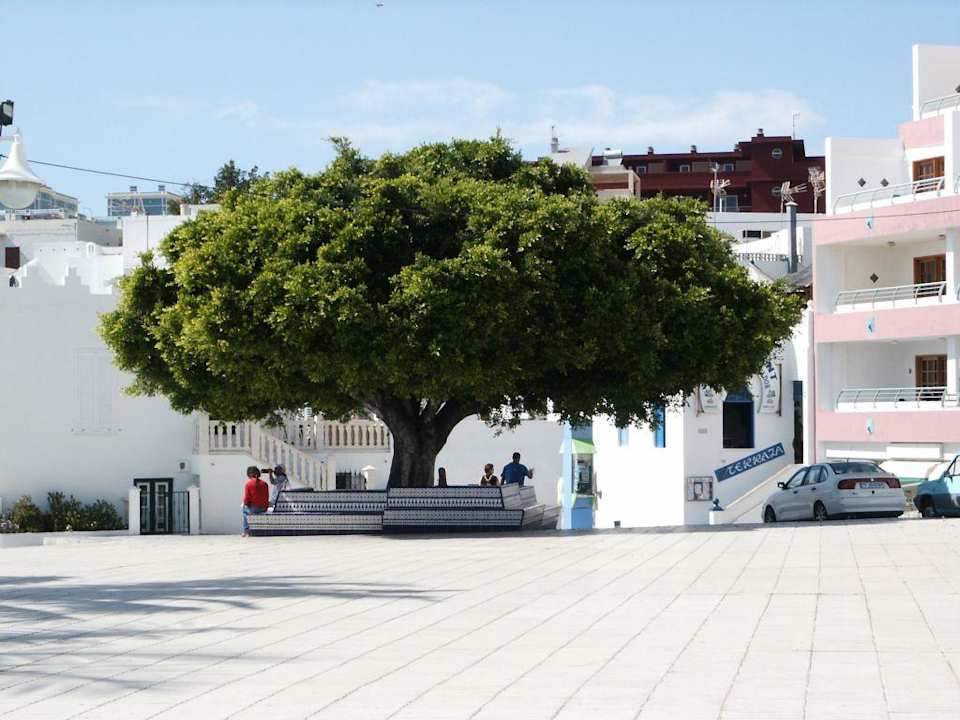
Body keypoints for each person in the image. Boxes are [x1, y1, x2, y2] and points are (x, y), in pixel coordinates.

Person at [241, 466, 270, 537]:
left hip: (254, 508)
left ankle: (246, 531)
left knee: (244, 510)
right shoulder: (265, 483)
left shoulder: (248, 484)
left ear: (249, 474)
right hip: (264, 508)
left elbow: (247, 499)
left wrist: (245, 505)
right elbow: (267, 496)